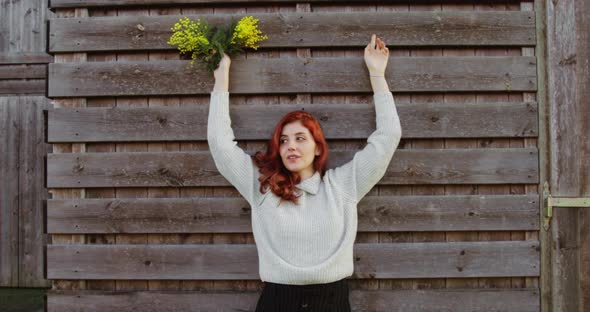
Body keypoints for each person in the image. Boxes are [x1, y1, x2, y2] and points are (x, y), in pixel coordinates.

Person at [207, 34, 402, 312]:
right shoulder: (261, 185)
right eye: (283, 141)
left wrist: (377, 74)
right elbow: (220, 144)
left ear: (318, 148)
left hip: (332, 302)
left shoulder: (343, 185)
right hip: (277, 301)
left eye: (300, 138)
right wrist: (221, 76)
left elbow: (388, 136)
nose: (291, 147)